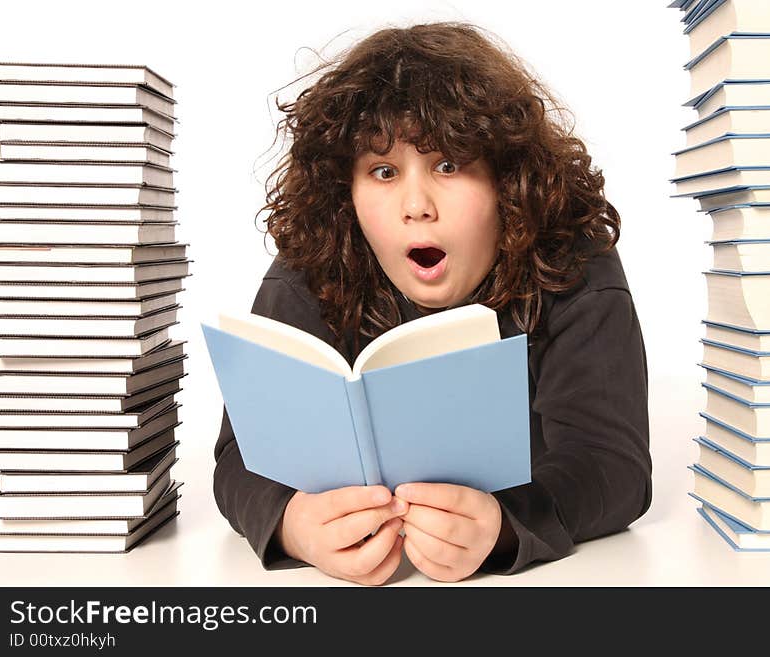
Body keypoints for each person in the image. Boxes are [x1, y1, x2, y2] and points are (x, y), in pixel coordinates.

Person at [213, 21, 651, 585]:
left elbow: (615, 468)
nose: (416, 205)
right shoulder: (312, 268)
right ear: (345, 191)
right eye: (384, 172)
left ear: (506, 183)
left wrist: (505, 527)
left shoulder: (574, 266)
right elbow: (239, 458)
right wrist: (293, 525)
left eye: (449, 165)